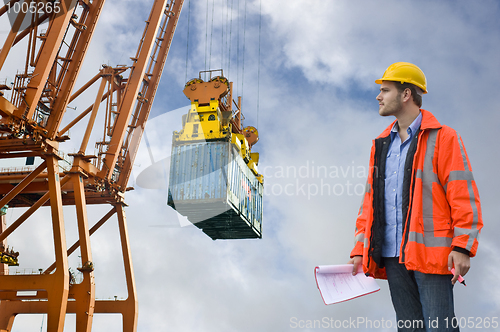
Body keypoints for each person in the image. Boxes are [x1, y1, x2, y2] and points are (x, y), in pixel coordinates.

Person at [348, 62, 483, 332]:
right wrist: (359, 251)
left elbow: (462, 193)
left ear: (406, 94)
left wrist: (463, 246)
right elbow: (370, 203)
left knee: (440, 328)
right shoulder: (381, 143)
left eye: (385, 90)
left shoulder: (444, 138)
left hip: (431, 255)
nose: (378, 96)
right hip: (390, 253)